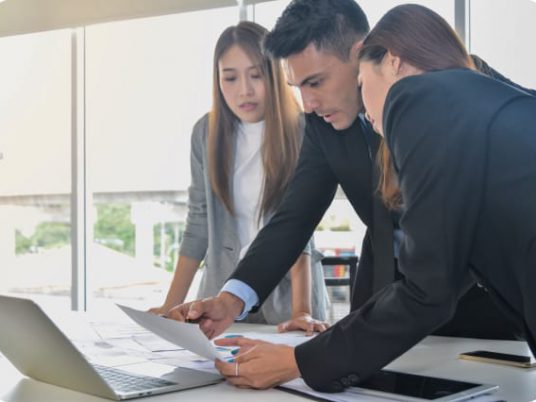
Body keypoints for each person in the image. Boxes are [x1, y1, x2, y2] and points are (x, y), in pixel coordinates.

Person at [168, 0, 535, 391]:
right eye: (297, 87)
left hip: (475, 303)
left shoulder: (447, 82)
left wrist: (301, 361)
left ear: (361, 54)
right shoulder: (323, 123)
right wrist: (231, 299)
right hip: (385, 309)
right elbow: (293, 217)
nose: (307, 103)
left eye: (316, 82)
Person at [149, 21, 329, 333]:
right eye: (229, 78)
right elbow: (199, 221)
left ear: (274, 74)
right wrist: (170, 306)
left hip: (288, 300)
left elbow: (300, 228)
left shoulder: (303, 130)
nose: (244, 90)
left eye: (256, 75)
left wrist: (302, 310)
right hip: (220, 297)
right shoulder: (206, 132)